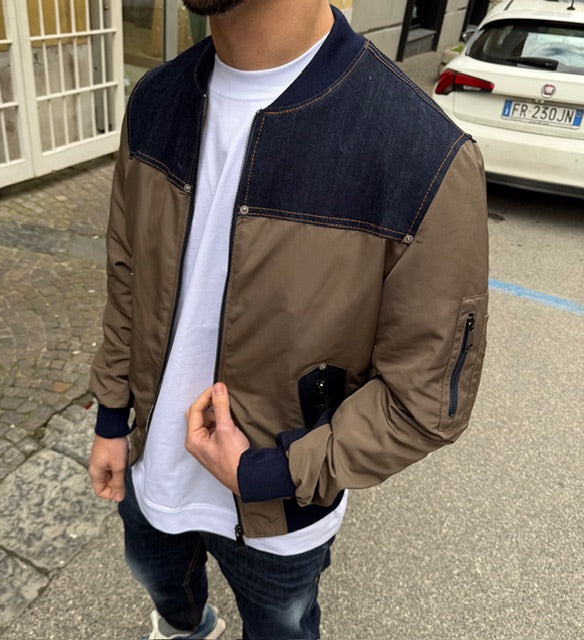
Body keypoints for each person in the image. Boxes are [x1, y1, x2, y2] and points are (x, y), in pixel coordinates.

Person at [87, 0, 489, 638]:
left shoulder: (422, 153)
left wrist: (270, 473)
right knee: (161, 584)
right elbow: (127, 280)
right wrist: (113, 418)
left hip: (282, 509)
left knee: (282, 625)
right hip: (149, 465)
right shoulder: (154, 101)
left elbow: (424, 402)